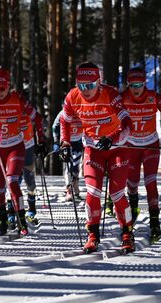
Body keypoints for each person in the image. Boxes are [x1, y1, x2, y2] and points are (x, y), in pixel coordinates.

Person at [60, 62, 135, 254]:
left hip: (118, 148)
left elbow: (127, 123)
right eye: (81, 85)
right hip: (93, 149)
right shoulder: (72, 96)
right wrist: (65, 143)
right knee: (92, 193)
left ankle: (127, 233)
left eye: (90, 85)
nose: (85, 90)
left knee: (117, 194)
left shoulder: (110, 94)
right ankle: (92, 235)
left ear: (98, 82)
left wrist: (112, 138)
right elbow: (64, 121)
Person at [0, 68, 46, 236]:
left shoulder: (18, 100)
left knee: (12, 181)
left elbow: (38, 118)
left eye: (2, 88)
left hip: (15, 146)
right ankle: (2, 215)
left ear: (8, 86)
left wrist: (41, 140)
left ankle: (21, 217)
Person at [121, 67, 161, 243]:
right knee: (132, 184)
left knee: (150, 182)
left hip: (150, 146)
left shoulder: (154, 97)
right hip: (131, 146)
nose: (136, 89)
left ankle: (155, 222)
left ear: (145, 84)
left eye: (140, 85)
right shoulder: (122, 98)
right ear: (128, 85)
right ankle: (134, 208)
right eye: (132, 85)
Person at [18, 95, 47, 225]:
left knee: (29, 178)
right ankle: (12, 210)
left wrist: (41, 139)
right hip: (10, 145)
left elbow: (39, 119)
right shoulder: (0, 105)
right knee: (13, 179)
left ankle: (32, 208)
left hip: (27, 145)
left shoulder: (25, 104)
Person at [54, 110, 83, 201]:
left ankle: (75, 185)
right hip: (67, 142)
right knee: (68, 166)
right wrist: (56, 141)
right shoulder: (63, 112)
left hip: (79, 141)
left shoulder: (82, 110)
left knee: (76, 165)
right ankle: (69, 190)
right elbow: (55, 126)